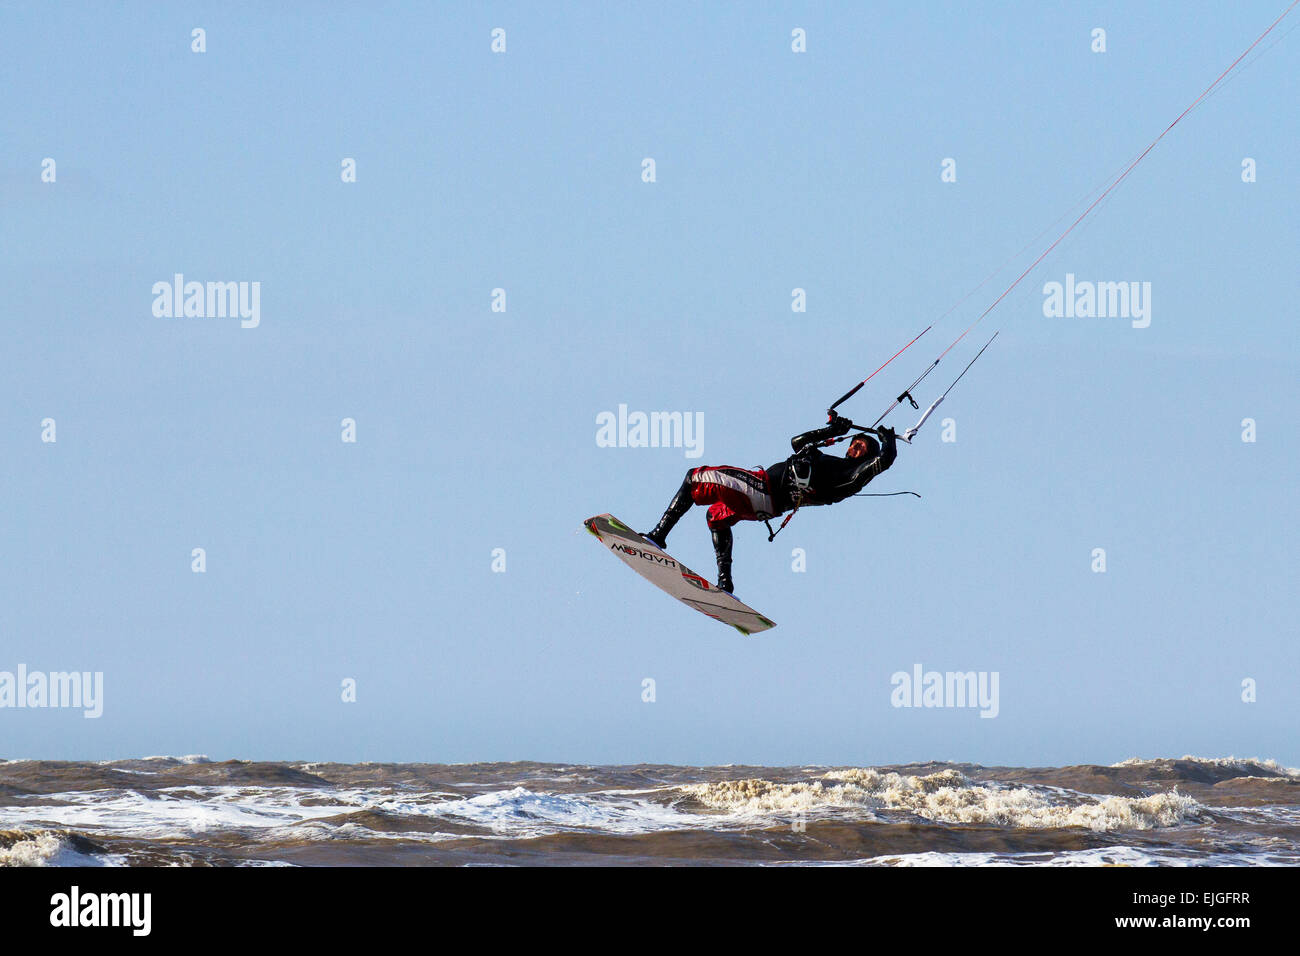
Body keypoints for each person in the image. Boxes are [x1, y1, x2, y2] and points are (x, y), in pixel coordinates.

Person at [642, 415, 898, 593]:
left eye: (861, 447)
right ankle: (725, 583)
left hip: (761, 489)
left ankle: (658, 536)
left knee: (694, 477)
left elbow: (882, 462)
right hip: (764, 508)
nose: (854, 448)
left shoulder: (850, 478)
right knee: (716, 516)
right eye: (854, 444)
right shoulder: (833, 464)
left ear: (869, 455)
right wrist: (832, 431)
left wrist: (889, 443)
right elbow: (797, 443)